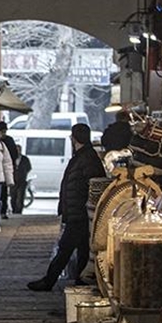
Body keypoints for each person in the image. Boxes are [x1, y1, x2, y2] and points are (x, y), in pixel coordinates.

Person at [27, 123, 107, 291]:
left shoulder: (86, 158)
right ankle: (79, 280)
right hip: (78, 212)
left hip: (80, 213)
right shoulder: (84, 156)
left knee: (66, 248)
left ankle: (50, 281)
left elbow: (93, 187)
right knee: (81, 248)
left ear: (74, 138)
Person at [0, 121, 20, 219]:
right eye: (2, 131)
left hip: (5, 169)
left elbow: (14, 155)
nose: (3, 133)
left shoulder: (9, 140)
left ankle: (2, 211)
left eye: (4, 131)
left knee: (4, 192)